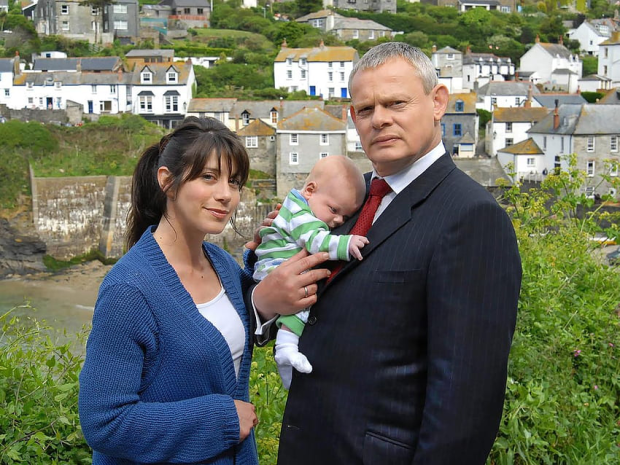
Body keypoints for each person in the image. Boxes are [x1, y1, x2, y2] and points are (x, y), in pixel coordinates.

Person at [252, 42, 522, 464]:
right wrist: (265, 291)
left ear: (437, 102)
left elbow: (465, 403)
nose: (379, 119)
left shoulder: (472, 218)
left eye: (396, 103)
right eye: (365, 109)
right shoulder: (344, 197)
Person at [79, 117, 269, 465]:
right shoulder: (129, 290)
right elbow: (104, 423)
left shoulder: (222, 264)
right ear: (167, 181)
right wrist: (223, 420)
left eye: (235, 182)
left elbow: (253, 319)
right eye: (209, 177)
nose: (226, 194)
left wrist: (272, 256)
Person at [253, 155, 367, 389]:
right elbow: (316, 241)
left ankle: (286, 352)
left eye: (344, 217)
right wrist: (347, 243)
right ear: (310, 190)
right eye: (334, 210)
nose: (336, 221)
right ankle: (286, 350)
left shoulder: (300, 206)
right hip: (274, 269)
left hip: (271, 266)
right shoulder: (301, 213)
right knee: (303, 296)